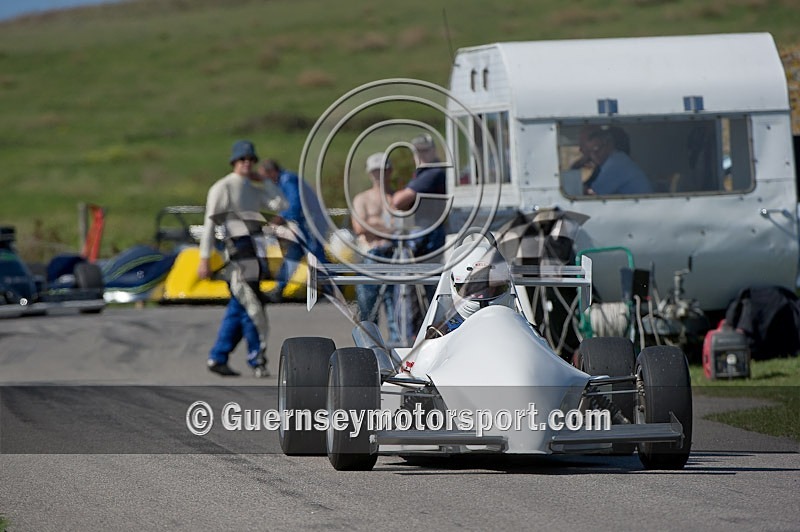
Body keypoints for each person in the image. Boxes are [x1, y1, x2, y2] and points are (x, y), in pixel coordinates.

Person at [198, 140, 287, 377]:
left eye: (250, 159)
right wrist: (204, 258)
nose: (246, 163)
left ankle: (218, 356)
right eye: (242, 159)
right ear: (234, 162)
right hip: (235, 253)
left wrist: (265, 181)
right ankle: (256, 358)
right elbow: (210, 224)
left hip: (254, 251)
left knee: (241, 306)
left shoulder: (252, 189)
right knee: (252, 304)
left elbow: (280, 203)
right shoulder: (223, 187)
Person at [258, 159, 327, 301]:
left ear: (272, 172)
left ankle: (332, 288)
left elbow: (296, 205)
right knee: (293, 255)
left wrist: (280, 218)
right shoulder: (286, 179)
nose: (266, 180)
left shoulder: (287, 180)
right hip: (303, 224)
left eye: (266, 176)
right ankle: (279, 288)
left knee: (316, 255)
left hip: (310, 223)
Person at [351, 152, 401, 345]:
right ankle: (368, 348)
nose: (378, 176)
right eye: (375, 172)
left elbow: (403, 227)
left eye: (382, 171)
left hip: (394, 256)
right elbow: (359, 228)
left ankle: (399, 351)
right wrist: (388, 228)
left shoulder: (396, 198)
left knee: (395, 310)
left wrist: (374, 225)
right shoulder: (362, 199)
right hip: (370, 256)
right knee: (367, 310)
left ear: (389, 172)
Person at [425, 242, 516, 339]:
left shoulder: (521, 329)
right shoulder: (438, 334)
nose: (481, 296)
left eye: (489, 290)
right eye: (473, 290)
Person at [583, 128, 652, 195]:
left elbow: (593, 193)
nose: (593, 156)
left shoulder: (616, 163)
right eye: (590, 152)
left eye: (596, 150)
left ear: (609, 145)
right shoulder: (617, 160)